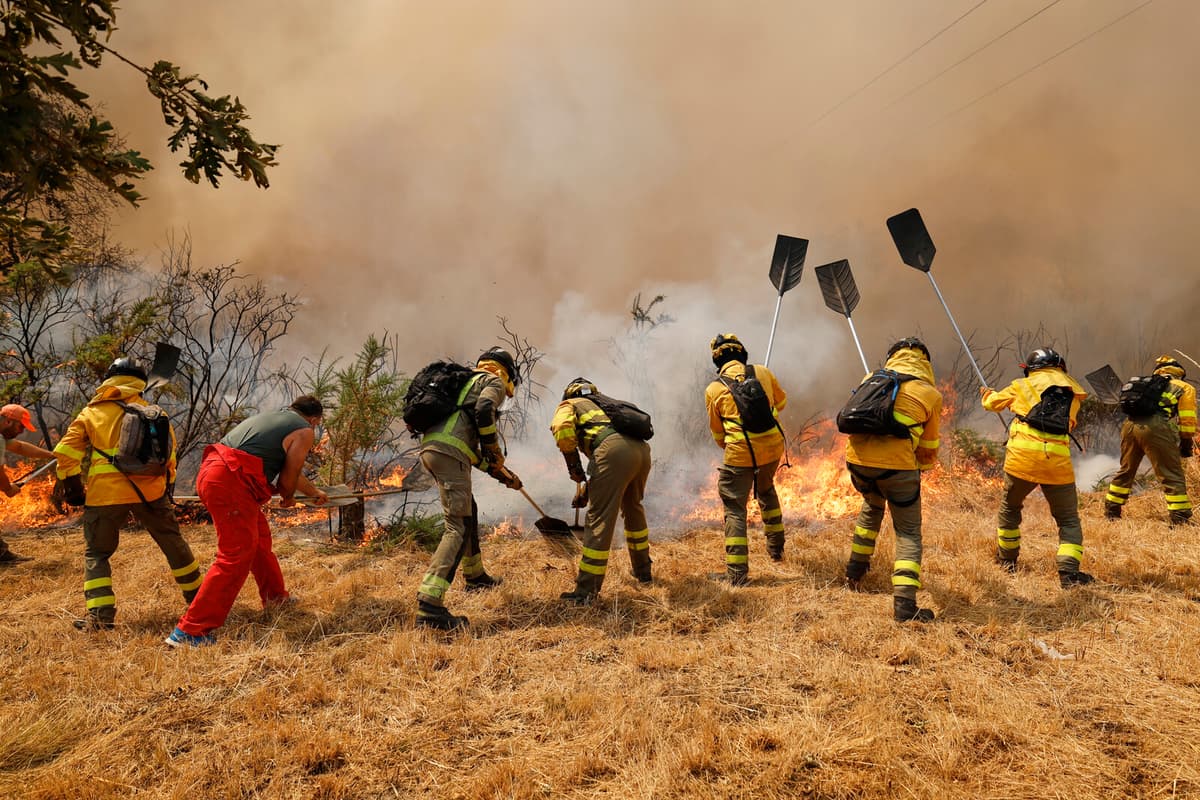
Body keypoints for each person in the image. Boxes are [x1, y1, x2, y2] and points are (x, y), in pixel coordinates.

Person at [166, 395, 328, 647]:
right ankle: (191, 630)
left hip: (215, 473)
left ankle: (276, 599)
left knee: (259, 543)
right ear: (315, 419)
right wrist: (289, 497)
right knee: (236, 554)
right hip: (231, 481)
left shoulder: (275, 417)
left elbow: (290, 475)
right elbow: (288, 479)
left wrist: (313, 493)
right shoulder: (305, 430)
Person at [53, 358, 202, 631]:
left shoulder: (91, 413)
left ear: (109, 378)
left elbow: (66, 452)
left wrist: (72, 487)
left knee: (97, 553)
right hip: (150, 492)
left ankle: (100, 618)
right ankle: (200, 603)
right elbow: (170, 457)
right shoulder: (153, 412)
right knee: (173, 544)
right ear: (140, 382)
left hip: (105, 496)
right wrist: (166, 488)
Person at [414, 347, 523, 631]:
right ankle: (430, 605)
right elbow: (486, 410)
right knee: (457, 526)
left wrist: (503, 475)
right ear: (507, 374)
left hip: (436, 450)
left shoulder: (463, 383)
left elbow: (467, 450)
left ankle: (475, 576)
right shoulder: (493, 381)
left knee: (468, 512)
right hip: (448, 455)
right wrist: (494, 448)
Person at [842, 338, 942, 623]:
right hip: (897, 468)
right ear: (925, 361)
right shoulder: (930, 393)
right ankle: (905, 605)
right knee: (908, 532)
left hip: (858, 464)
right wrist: (917, 470)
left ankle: (854, 571)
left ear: (892, 357)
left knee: (872, 508)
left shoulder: (871, 377)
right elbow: (929, 446)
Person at [981, 348, 1092, 587]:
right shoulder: (1073, 392)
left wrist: (987, 394)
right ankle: (1069, 573)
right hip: (1057, 461)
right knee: (1068, 519)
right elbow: (1069, 424)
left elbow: (991, 404)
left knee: (1010, 509)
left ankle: (1007, 561)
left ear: (1031, 368)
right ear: (1060, 366)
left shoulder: (1021, 385)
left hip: (1022, 459)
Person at [552, 378, 653, 604]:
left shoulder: (570, 404)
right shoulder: (608, 404)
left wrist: (574, 467)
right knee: (633, 508)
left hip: (613, 452)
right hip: (642, 452)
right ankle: (643, 571)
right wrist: (589, 485)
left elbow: (562, 430)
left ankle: (586, 591)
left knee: (600, 519)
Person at [703, 333, 788, 586]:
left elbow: (718, 433)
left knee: (735, 508)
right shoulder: (762, 372)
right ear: (742, 353)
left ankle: (737, 573)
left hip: (740, 453)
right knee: (766, 490)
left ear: (718, 362)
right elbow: (781, 403)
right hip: (773, 447)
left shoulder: (715, 389)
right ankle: (776, 550)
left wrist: (732, 446)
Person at [1104, 355, 1195, 525]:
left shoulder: (1146, 384)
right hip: (1155, 427)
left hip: (1129, 425)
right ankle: (1180, 517)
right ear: (1179, 373)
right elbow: (1187, 420)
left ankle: (1112, 509)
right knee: (1170, 472)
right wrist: (1186, 442)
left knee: (1126, 469)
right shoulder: (1184, 387)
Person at [0, 404, 59, 565]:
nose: (21, 431)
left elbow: (19, 447)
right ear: (8, 422)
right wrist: (8, 489)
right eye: (20, 427)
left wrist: (51, 455)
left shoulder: (3, 438)